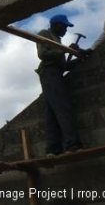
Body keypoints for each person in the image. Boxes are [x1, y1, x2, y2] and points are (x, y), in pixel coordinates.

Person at [36, 14, 84, 155]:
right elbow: (43, 54)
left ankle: (53, 149)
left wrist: (80, 57)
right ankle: (73, 145)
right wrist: (65, 49)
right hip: (49, 73)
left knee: (52, 112)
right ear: (57, 25)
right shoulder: (44, 34)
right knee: (63, 107)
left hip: (55, 72)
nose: (65, 30)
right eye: (64, 27)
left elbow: (64, 66)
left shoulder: (58, 41)